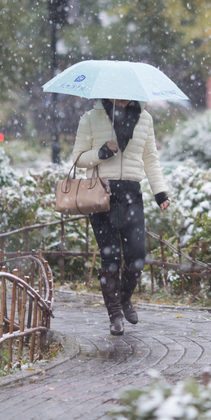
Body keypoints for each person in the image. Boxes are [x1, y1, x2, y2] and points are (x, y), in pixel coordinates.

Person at [71, 98, 171, 336]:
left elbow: (150, 159)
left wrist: (160, 192)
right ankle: (115, 313)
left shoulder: (144, 119)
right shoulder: (91, 117)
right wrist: (101, 152)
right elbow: (78, 158)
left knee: (137, 256)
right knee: (111, 257)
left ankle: (124, 298)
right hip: (101, 193)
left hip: (131, 194)